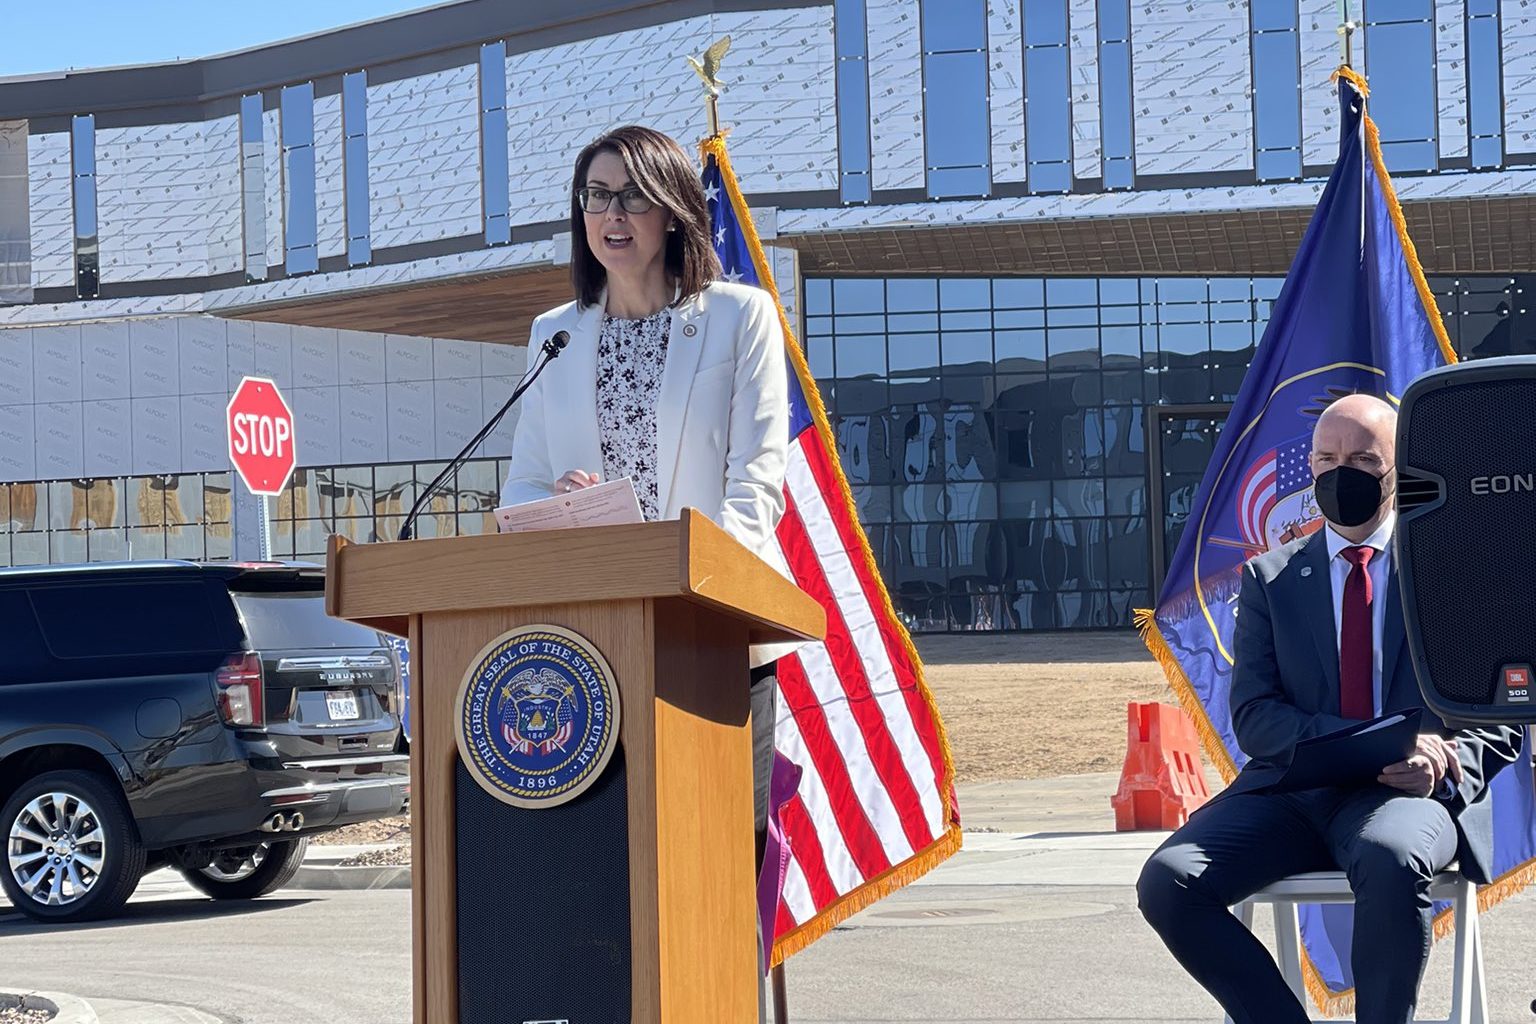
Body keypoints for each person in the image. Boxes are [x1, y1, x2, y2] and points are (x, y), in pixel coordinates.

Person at [498, 124, 790, 1013]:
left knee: (714, 886)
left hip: (712, 649)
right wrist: (567, 505)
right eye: (595, 195)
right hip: (594, 657)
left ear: (671, 211)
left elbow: (757, 484)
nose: (610, 214)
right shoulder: (555, 337)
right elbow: (525, 491)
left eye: (629, 195)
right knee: (606, 896)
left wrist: (686, 576)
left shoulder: (739, 318)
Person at [1137, 393, 1523, 1024]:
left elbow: (1506, 710)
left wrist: (1450, 761)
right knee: (1169, 881)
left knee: (1391, 858)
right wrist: (1367, 740)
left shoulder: (1457, 572)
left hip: (1403, 801)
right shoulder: (1271, 577)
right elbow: (1257, 717)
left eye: (1364, 460)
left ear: (1402, 466)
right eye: (1327, 458)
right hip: (1292, 795)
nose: (1342, 473)